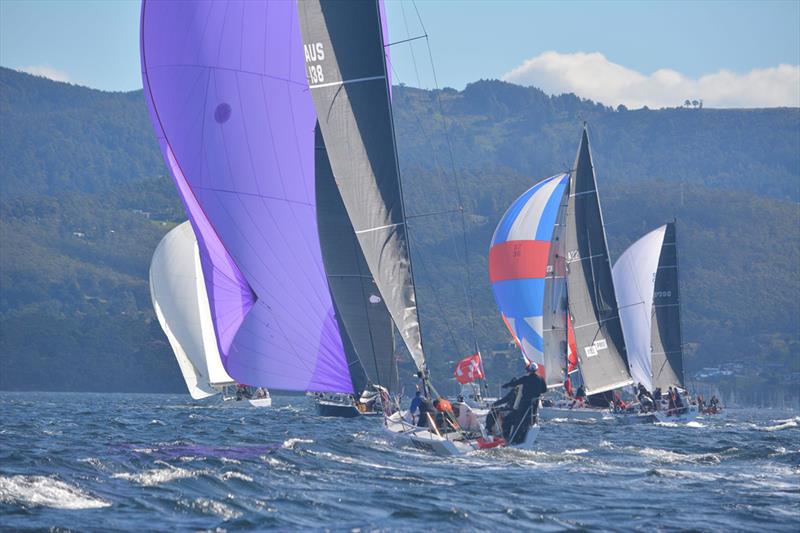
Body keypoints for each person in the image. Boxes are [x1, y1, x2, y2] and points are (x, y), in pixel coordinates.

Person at [499, 362, 547, 444]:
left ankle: (508, 438)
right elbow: (544, 390)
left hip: (524, 404)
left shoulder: (526, 378)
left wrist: (506, 385)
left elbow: (515, 383)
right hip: (534, 406)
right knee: (528, 420)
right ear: (536, 370)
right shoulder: (541, 378)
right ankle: (519, 439)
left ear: (529, 370)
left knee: (514, 419)